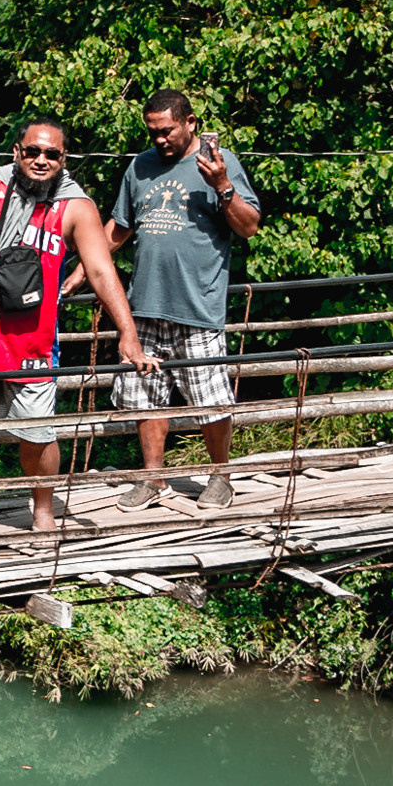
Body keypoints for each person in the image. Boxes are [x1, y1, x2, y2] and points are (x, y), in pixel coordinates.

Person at [0, 118, 156, 533]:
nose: (41, 160)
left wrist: (127, 335)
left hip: (32, 344)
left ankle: (42, 509)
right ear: (16, 152)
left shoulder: (75, 207)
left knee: (38, 433)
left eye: (52, 154)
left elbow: (99, 270)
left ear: (64, 159)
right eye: (33, 151)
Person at [79, 89, 263, 511]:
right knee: (143, 397)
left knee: (210, 398)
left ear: (190, 122)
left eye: (167, 131)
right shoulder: (140, 166)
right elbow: (118, 230)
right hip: (142, 305)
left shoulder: (220, 162)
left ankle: (221, 476)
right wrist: (79, 272)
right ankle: (153, 478)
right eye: (152, 132)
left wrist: (221, 185)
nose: (160, 139)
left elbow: (249, 227)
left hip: (198, 305)